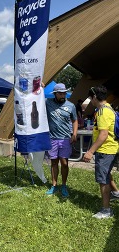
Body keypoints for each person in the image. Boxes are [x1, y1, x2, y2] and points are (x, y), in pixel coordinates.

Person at [83, 86, 119, 219]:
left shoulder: (102, 112)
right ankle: (115, 193)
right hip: (112, 148)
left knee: (102, 179)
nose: (90, 101)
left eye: (90, 98)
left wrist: (90, 151)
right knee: (106, 173)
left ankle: (106, 210)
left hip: (105, 150)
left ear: (95, 97)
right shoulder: (109, 107)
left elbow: (103, 135)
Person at [45, 83, 78, 197]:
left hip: (65, 139)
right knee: (54, 162)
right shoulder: (48, 103)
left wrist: (74, 133)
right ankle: (54, 185)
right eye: (60, 93)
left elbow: (75, 120)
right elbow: (37, 99)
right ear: (55, 94)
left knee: (64, 163)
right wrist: (40, 87)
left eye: (64, 92)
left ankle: (64, 185)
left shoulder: (71, 106)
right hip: (52, 138)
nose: (63, 95)